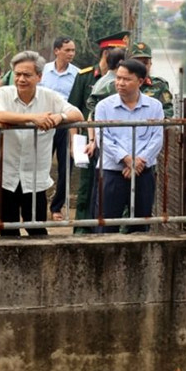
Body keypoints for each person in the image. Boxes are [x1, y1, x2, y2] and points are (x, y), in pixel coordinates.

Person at [0, 51, 82, 236]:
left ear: (39, 77)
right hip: (5, 175)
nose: (21, 79)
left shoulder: (50, 97)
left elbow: (77, 114)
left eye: (27, 75)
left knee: (37, 229)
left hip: (35, 178)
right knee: (7, 230)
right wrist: (34, 118)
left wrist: (59, 117)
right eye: (17, 74)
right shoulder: (3, 93)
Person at [68, 30, 129, 234]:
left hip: (114, 143)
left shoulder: (125, 81)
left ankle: (104, 228)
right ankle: (81, 230)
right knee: (87, 186)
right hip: (89, 141)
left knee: (110, 188)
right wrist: (74, 144)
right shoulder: (86, 76)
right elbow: (74, 111)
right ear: (107, 54)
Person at [94, 59, 164, 233]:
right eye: (118, 78)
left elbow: (157, 137)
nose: (120, 83)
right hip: (112, 171)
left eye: (126, 79)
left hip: (143, 172)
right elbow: (102, 137)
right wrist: (127, 159)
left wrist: (140, 161)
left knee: (141, 224)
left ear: (140, 81)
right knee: (107, 224)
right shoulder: (104, 106)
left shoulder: (154, 106)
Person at [38, 36, 79, 222]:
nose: (71, 53)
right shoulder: (43, 71)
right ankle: (35, 204)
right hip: (44, 123)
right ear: (56, 51)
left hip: (66, 124)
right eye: (67, 50)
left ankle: (56, 207)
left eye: (73, 50)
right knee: (40, 164)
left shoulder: (78, 74)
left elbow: (77, 103)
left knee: (65, 167)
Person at [130, 42, 174, 118]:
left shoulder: (160, 85)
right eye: (136, 62)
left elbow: (168, 112)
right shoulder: (120, 85)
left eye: (145, 63)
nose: (141, 67)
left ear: (150, 64)